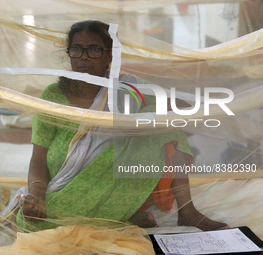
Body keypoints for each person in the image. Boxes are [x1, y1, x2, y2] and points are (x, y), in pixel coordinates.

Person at [16, 20, 227, 232]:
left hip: (115, 185)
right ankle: (121, 217)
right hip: (69, 189)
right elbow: (38, 158)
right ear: (69, 52)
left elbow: (183, 108)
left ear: (110, 56)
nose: (84, 56)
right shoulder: (52, 95)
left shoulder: (127, 88)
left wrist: (149, 108)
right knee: (31, 223)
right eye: (77, 49)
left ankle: (188, 212)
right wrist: (37, 196)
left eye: (95, 49)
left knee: (167, 130)